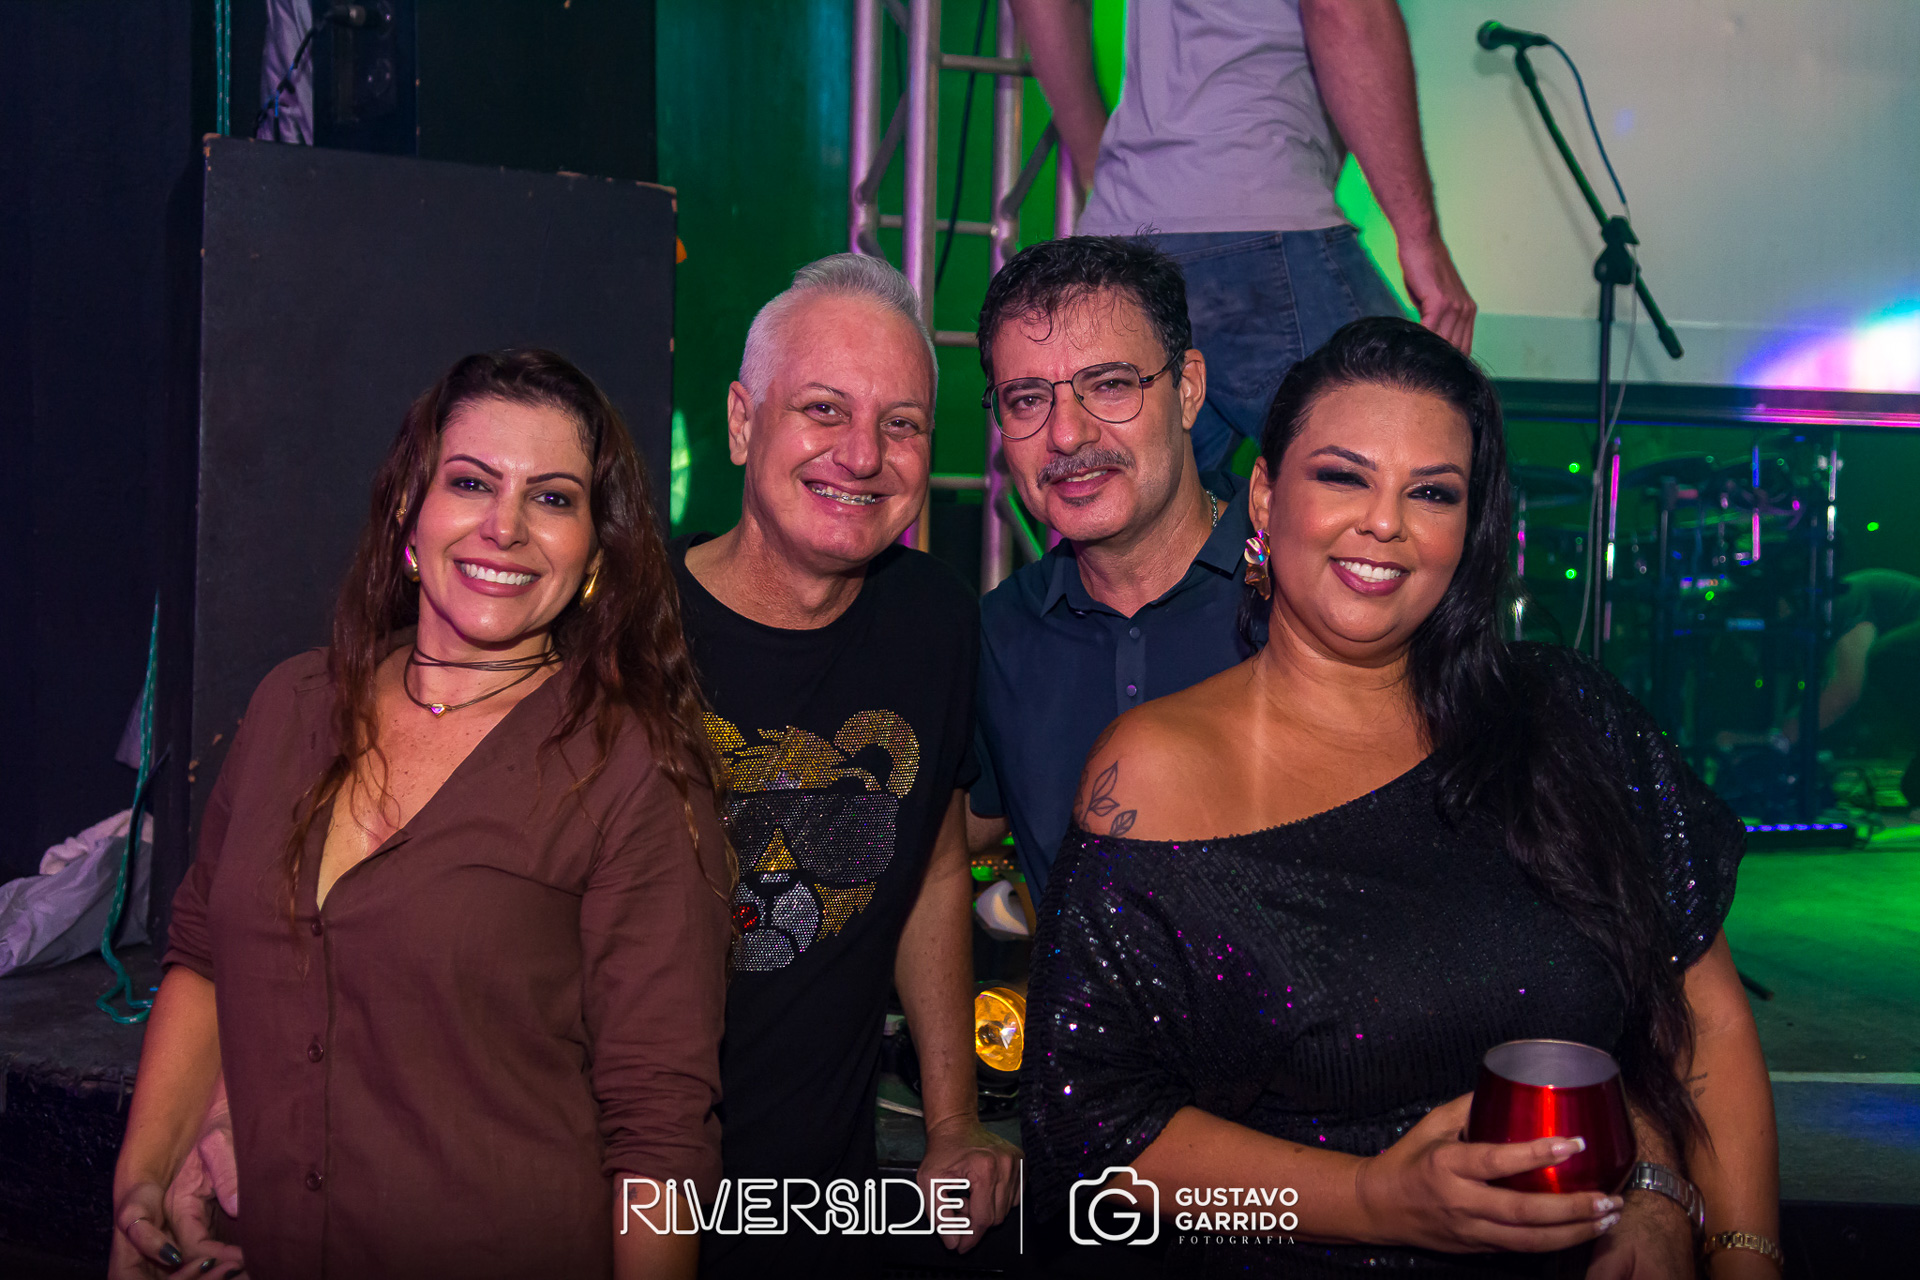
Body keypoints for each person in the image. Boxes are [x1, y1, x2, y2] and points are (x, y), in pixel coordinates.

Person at [1023, 317, 1781, 1277]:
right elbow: (1089, 1146)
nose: (1385, 523)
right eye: (1344, 477)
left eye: (1432, 492)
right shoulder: (1154, 771)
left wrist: (1717, 1233)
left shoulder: (1564, 721)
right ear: (1265, 495)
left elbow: (1702, 1020)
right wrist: (1374, 1201)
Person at [111, 350, 733, 1280]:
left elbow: (661, 1125)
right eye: (471, 482)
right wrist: (143, 1182)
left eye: (552, 498)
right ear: (411, 511)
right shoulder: (293, 705)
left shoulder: (631, 768)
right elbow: (202, 957)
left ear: (596, 553)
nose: (505, 527)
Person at [675, 254, 1018, 1275]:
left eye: (901, 424)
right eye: (823, 409)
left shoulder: (934, 620)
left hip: (818, 1207)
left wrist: (952, 1119)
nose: (863, 454)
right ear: (744, 422)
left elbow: (936, 864)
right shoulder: (626, 624)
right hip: (614, 1194)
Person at [1012, 0, 1476, 473]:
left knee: (1152, 512)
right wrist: (1420, 237)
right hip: (1264, 219)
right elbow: (1341, 9)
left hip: (1127, 229)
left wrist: (1096, 162)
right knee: (1430, 460)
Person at [967, 236, 1254, 899]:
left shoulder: (1303, 586)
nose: (1067, 434)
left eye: (1110, 385)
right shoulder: (999, 636)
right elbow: (932, 848)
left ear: (1188, 390)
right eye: (1027, 399)